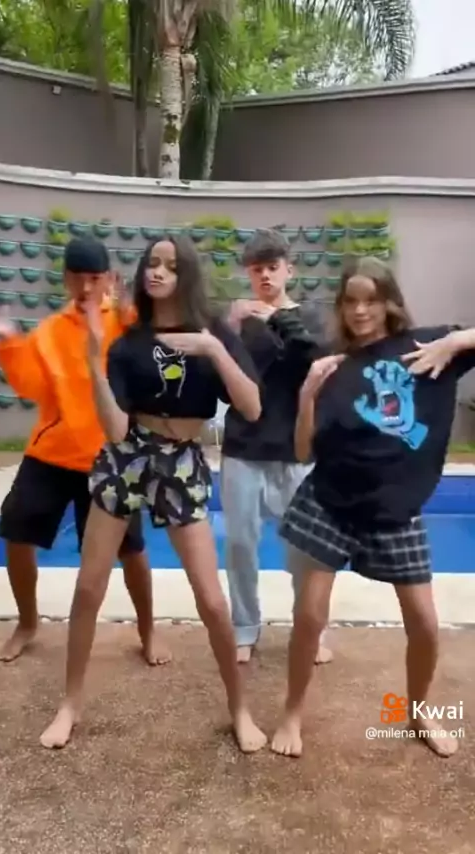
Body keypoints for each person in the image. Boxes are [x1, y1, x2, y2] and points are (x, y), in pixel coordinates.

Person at [40, 235, 268, 754]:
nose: (158, 272)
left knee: (212, 600)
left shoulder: (212, 332)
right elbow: (116, 430)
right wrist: (95, 359)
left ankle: (240, 709)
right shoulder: (129, 343)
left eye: (170, 265)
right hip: (128, 455)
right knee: (88, 588)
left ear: (187, 275)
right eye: (152, 264)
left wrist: (212, 348)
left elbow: (252, 408)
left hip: (182, 462)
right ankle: (70, 704)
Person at [271, 255, 475, 760]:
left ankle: (418, 710)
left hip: (394, 510)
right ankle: (292, 711)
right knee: (309, 616)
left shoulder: (426, 346)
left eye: (371, 300)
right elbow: (302, 452)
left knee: (425, 624)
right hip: (331, 502)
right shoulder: (333, 366)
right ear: (341, 306)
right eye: (351, 301)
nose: (361, 311)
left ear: (389, 303)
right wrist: (307, 396)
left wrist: (456, 342)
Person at [0, 237, 170, 667]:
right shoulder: (51, 331)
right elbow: (32, 387)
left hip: (110, 455)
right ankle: (28, 623)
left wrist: (134, 318)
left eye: (95, 279)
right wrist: (8, 344)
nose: (87, 288)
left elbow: (151, 365)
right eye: (79, 279)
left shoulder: (126, 322)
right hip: (52, 453)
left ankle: (148, 630)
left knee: (131, 549)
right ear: (66, 279)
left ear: (108, 278)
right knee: (16, 532)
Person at [221, 229, 333, 664]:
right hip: (243, 448)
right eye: (257, 269)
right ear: (248, 273)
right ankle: (244, 627)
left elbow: (314, 361)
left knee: (304, 551)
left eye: (272, 267)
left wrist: (275, 319)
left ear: (289, 269)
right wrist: (231, 326)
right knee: (239, 545)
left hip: (296, 451)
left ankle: (310, 629)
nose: (265, 276)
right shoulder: (237, 320)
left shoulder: (312, 318)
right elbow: (220, 376)